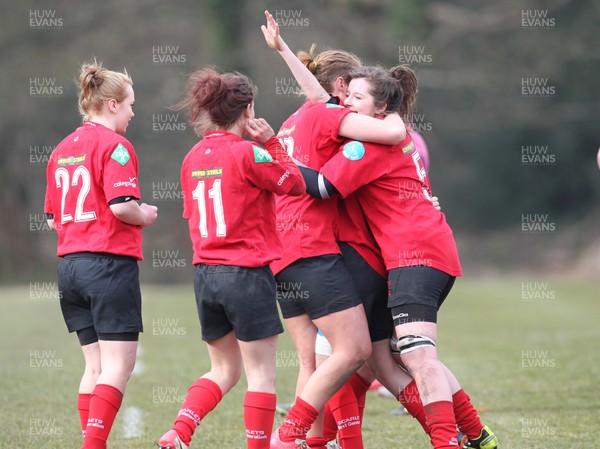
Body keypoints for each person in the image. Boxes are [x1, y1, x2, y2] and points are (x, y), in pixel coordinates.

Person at [300, 65, 499, 449]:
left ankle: (448, 442)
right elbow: (323, 102)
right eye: (347, 95)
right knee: (390, 356)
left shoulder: (369, 144)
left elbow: (323, 185)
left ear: (381, 108)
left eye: (356, 98)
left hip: (416, 256)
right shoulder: (385, 130)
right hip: (421, 252)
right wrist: (284, 52)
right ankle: (475, 433)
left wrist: (273, 158)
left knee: (418, 357)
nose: (346, 104)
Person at [261, 11, 412, 449]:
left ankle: (310, 442)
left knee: (312, 361)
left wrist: (283, 50)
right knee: (353, 352)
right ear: (343, 87)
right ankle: (291, 437)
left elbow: (313, 100)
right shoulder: (329, 116)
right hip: (315, 249)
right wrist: (394, 118)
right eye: (357, 89)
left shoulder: (292, 121)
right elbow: (393, 134)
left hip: (280, 253)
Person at [155, 67, 305, 449]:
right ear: (248, 108)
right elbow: (295, 184)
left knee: (222, 369)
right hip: (246, 274)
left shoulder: (192, 157)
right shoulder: (249, 152)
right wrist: (272, 142)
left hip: (206, 274)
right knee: (260, 375)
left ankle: (179, 431)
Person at [44, 59, 158, 449]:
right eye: (129, 104)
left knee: (94, 365)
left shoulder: (61, 148)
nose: (132, 112)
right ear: (111, 105)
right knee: (117, 367)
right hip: (107, 267)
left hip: (70, 268)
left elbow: (52, 220)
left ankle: (90, 441)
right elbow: (123, 205)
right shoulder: (116, 146)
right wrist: (145, 215)